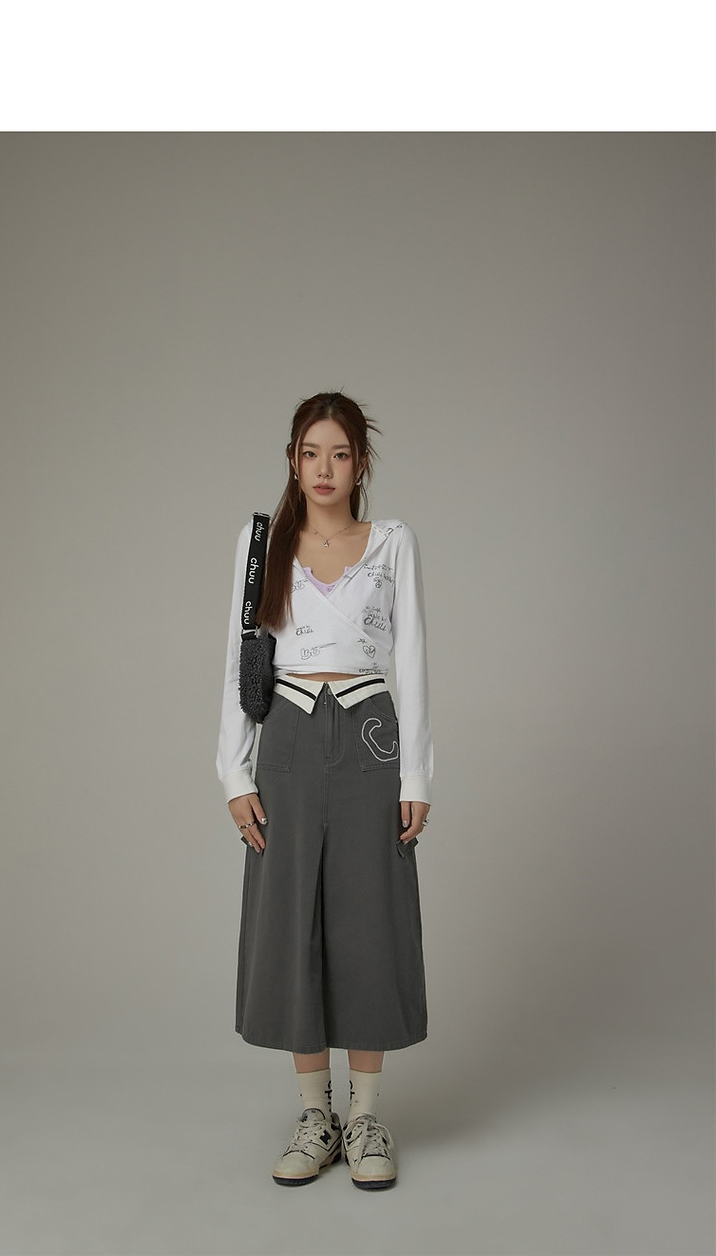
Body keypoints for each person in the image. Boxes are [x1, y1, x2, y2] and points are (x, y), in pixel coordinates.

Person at [216, 391, 433, 1190]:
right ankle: (316, 1114)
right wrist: (234, 771)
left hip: (371, 732)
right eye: (311, 453)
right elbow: (239, 661)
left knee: (369, 914)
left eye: (339, 454)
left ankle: (367, 1115)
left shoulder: (393, 544)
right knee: (292, 916)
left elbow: (412, 659)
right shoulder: (261, 543)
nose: (324, 469)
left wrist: (418, 773)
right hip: (289, 737)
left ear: (359, 463)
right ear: (292, 460)